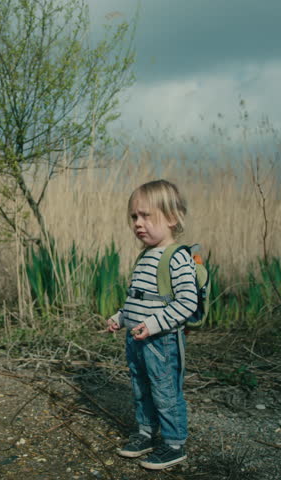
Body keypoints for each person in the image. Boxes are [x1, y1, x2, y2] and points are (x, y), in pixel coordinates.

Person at [105, 179, 197, 470]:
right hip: (136, 339)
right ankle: (146, 433)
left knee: (165, 390)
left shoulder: (176, 258)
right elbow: (138, 298)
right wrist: (121, 317)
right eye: (134, 216)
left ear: (172, 218)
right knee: (140, 387)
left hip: (161, 342)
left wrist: (154, 325)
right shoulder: (145, 255)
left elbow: (186, 303)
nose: (138, 223)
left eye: (146, 215)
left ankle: (173, 444)